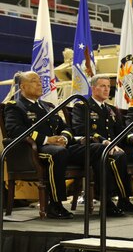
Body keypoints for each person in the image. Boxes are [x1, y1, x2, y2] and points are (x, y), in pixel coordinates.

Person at [4, 71, 90, 219]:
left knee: (95, 149)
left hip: (59, 147)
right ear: (22, 86)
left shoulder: (48, 106)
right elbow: (15, 130)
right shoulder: (15, 106)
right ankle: (55, 205)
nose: (39, 84)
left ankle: (109, 199)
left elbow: (66, 127)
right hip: (33, 151)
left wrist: (64, 137)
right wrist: (47, 140)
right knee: (57, 153)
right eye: (34, 81)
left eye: (39, 81)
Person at [71, 74, 133, 215]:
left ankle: (122, 199)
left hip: (113, 147)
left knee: (125, 153)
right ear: (93, 88)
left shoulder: (111, 109)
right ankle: (110, 201)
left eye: (108, 86)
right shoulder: (82, 106)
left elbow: (121, 131)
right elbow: (81, 129)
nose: (106, 90)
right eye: (102, 86)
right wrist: (104, 141)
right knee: (116, 156)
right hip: (92, 147)